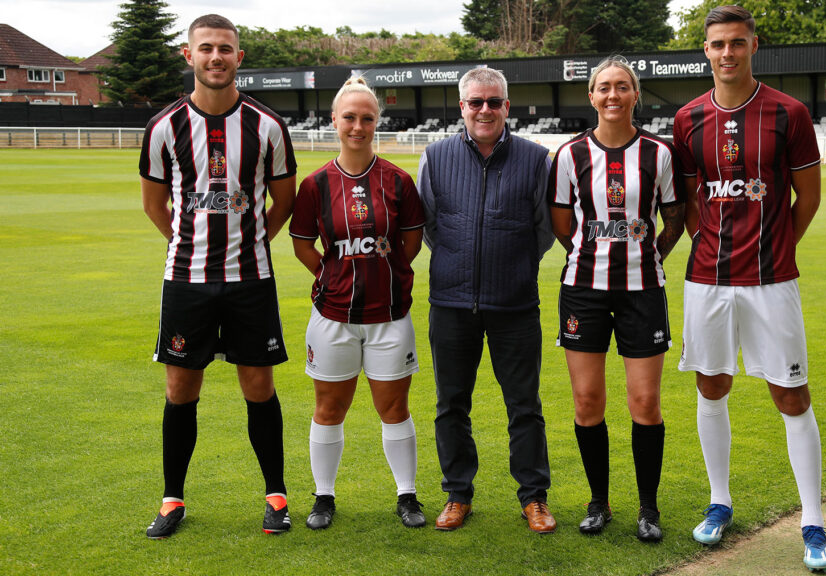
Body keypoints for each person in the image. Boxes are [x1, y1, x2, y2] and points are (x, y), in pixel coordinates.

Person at [672, 5, 826, 572]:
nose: (727, 53)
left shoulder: (789, 113)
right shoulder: (688, 118)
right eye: (717, 44)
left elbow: (807, 198)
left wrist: (781, 245)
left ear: (753, 46)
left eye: (737, 43)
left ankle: (812, 520)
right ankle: (720, 502)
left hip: (772, 280)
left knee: (791, 394)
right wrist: (707, 241)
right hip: (707, 281)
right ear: (707, 50)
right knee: (711, 386)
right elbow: (691, 199)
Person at [139, 14, 296, 539]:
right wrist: (188, 245)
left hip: (251, 281)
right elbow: (155, 205)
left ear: (238, 58)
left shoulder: (267, 126)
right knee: (180, 389)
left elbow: (285, 200)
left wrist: (252, 243)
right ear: (189, 56)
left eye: (225, 48)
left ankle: (276, 496)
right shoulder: (163, 127)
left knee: (259, 387)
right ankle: (171, 499)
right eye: (205, 48)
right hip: (185, 281)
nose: (215, 57)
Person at [548, 56, 685, 543]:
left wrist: (649, 255)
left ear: (635, 94)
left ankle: (648, 507)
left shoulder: (659, 154)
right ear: (591, 96)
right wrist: (592, 255)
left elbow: (675, 218)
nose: (612, 95)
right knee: (588, 402)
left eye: (622, 87)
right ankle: (598, 502)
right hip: (583, 290)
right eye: (603, 87)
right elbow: (563, 226)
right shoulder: (568, 155)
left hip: (643, 291)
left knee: (645, 401)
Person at [416, 67, 557, 534]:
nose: (485, 110)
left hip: (515, 304)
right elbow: (431, 227)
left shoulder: (537, 159)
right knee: (451, 404)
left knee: (525, 406)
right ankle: (458, 495)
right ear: (462, 107)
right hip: (451, 304)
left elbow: (543, 230)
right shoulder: (435, 158)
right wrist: (462, 262)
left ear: (506, 107)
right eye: (475, 102)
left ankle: (533, 497)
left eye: (494, 102)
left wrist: (509, 264)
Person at [289, 77, 426, 531]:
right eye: (349, 117)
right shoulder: (314, 185)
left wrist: (380, 274)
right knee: (329, 408)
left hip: (389, 317)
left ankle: (406, 496)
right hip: (333, 316)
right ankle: (324, 497)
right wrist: (336, 276)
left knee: (395, 409)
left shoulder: (399, 180)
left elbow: (410, 244)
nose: (358, 126)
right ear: (334, 120)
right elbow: (304, 247)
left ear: (376, 123)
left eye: (367, 118)